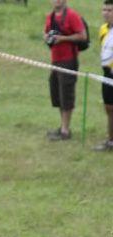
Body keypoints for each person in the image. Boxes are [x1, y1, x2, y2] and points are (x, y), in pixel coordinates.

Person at [44, 0, 87, 141]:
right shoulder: (50, 17)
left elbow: (82, 36)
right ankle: (62, 126)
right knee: (57, 94)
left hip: (69, 60)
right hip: (55, 61)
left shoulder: (72, 15)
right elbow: (46, 34)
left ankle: (65, 130)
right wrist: (47, 38)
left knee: (66, 95)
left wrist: (63, 39)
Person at [95, 0, 113, 151]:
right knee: (109, 108)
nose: (106, 13)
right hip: (107, 74)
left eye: (110, 10)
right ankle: (110, 140)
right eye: (104, 10)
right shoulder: (102, 29)